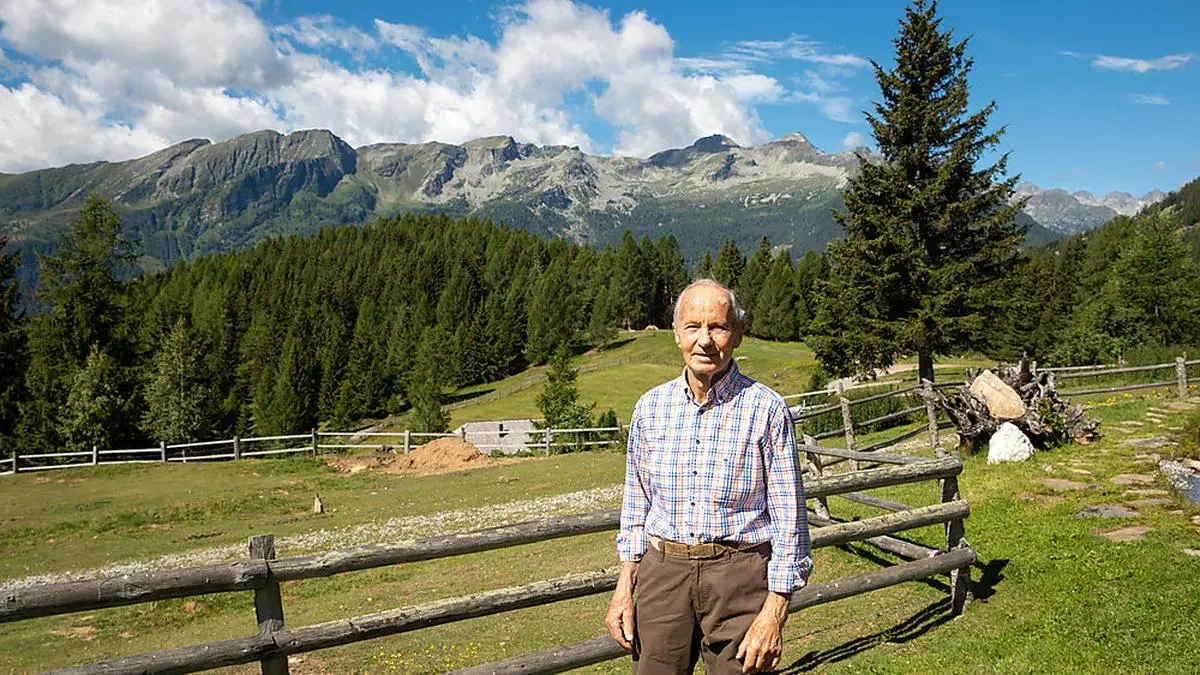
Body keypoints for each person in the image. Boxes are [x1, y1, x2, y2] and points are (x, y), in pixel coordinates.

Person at [606, 278, 813, 675]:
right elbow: (635, 507)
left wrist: (774, 613)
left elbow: (791, 522)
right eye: (693, 327)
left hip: (740, 575)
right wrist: (623, 589)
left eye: (717, 327)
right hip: (663, 574)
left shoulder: (766, 409)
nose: (704, 340)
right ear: (675, 334)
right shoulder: (650, 408)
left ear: (737, 334)